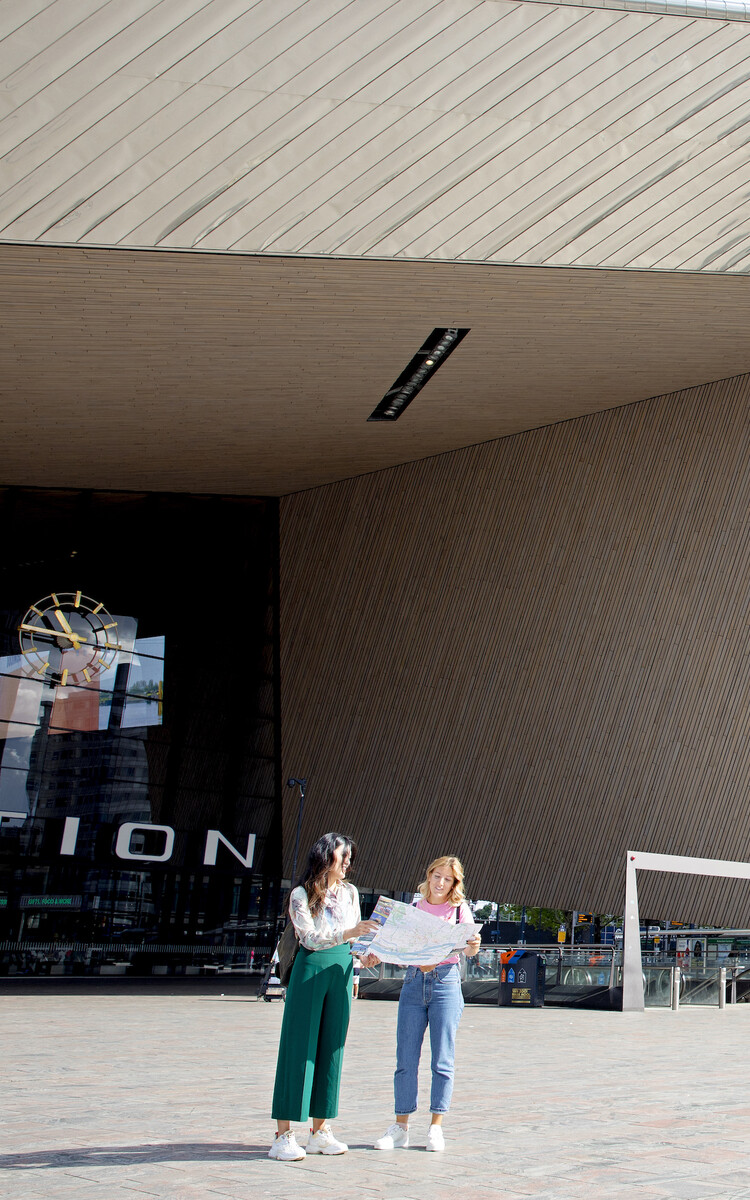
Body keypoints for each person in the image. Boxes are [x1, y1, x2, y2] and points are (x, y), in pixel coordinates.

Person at [268, 832, 378, 1162]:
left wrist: (366, 954)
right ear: (325, 856)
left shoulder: (350, 893)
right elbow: (311, 938)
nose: (348, 863)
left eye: (350, 858)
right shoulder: (301, 895)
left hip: (342, 969)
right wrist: (349, 934)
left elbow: (355, 934)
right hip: (311, 969)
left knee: (332, 1049)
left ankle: (320, 1131)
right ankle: (283, 1135)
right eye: (342, 856)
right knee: (298, 1048)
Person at [374, 854, 481, 1153]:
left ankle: (436, 1126)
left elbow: (470, 949)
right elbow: (394, 942)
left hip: (446, 982)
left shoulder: (460, 910)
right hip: (413, 983)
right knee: (405, 1059)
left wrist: (474, 945)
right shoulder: (412, 908)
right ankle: (401, 1127)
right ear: (429, 874)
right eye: (437, 876)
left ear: (454, 883)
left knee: (442, 1059)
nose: (441, 883)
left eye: (448, 879)